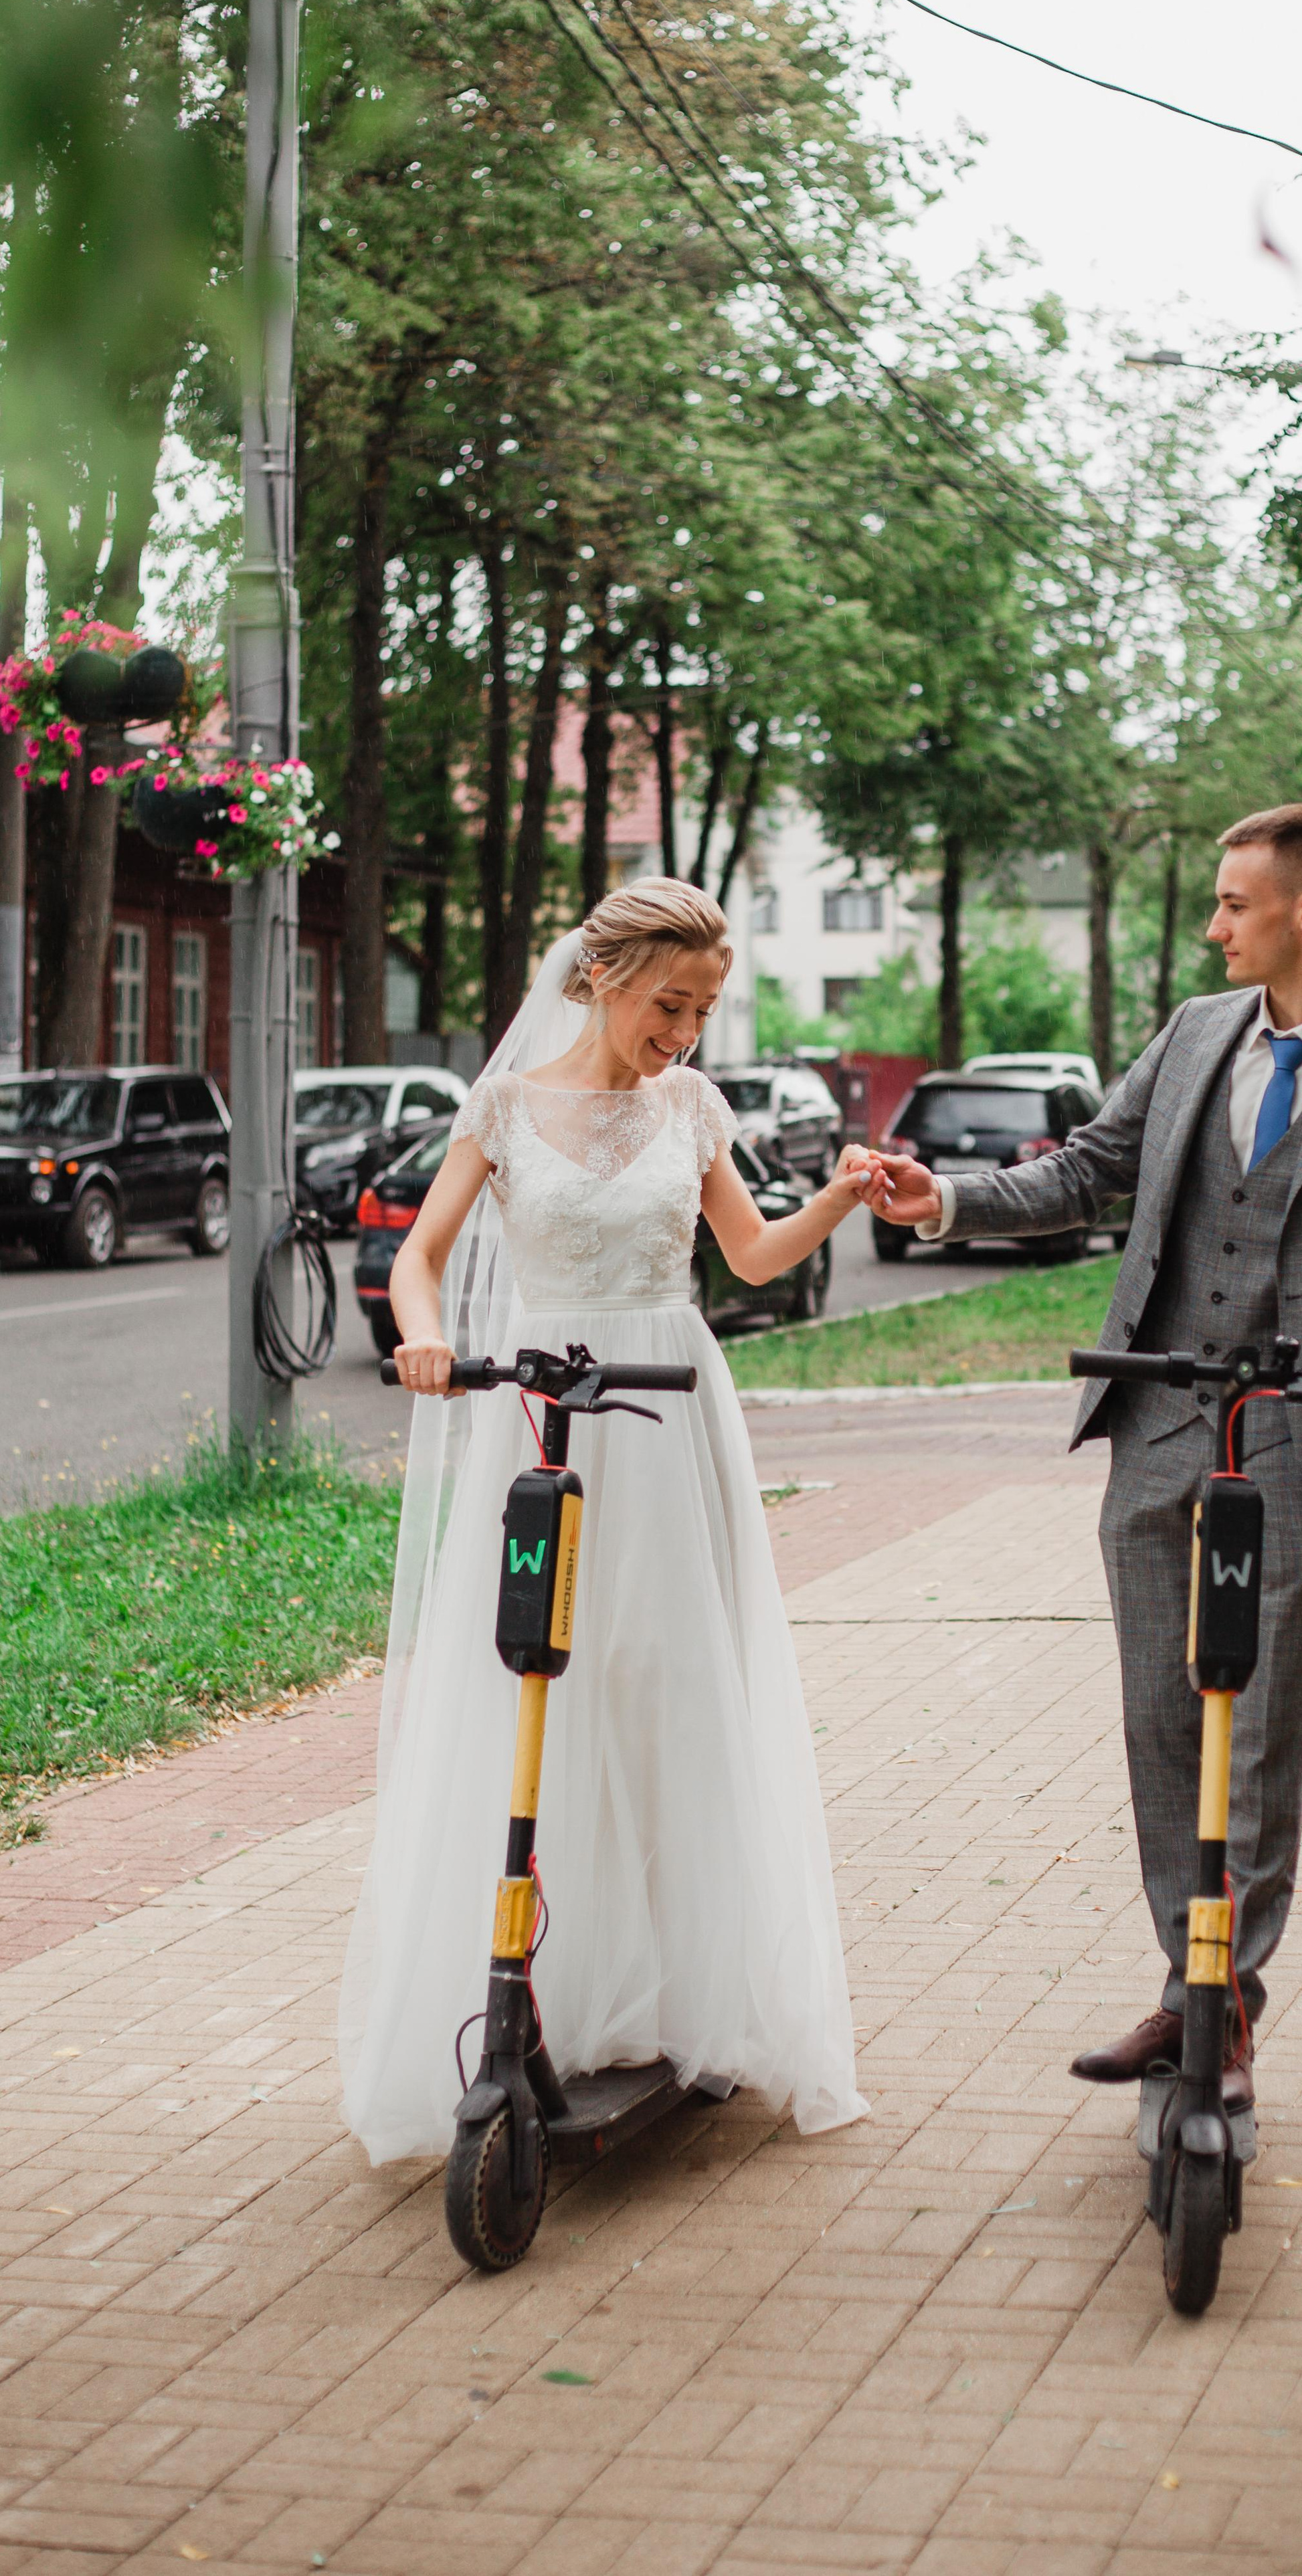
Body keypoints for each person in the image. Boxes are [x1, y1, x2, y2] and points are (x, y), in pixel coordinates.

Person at [860, 804, 1302, 2108]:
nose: (1212, 925)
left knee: (1258, 1730)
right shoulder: (1195, 1036)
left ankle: (1224, 1998)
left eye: (1232, 903)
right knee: (1162, 1720)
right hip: (1158, 1417)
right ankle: (1185, 1981)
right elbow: (1088, 1170)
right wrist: (946, 1201)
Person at [339, 880, 870, 2162]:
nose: (682, 1031)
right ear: (601, 980)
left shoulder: (691, 1108)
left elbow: (745, 1259)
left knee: (667, 1685)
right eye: (666, 1003)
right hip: (538, 1410)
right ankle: (546, 1991)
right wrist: (424, 1340)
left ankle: (684, 1988)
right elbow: (421, 1254)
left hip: (669, 1410)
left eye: (701, 1009)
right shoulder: (508, 1106)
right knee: (535, 1689)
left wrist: (842, 1197)